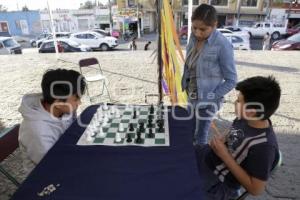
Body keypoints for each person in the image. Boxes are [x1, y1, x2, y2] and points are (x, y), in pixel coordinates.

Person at [195, 76, 281, 200]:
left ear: (251, 111)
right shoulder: (245, 118)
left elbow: (256, 189)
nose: (235, 102)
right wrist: (222, 138)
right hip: (208, 157)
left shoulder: (264, 147)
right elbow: (233, 130)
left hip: (219, 182)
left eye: (239, 101)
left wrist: (225, 155)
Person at [181, 4, 237, 145]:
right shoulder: (192, 38)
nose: (198, 33)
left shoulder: (223, 45)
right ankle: (188, 157)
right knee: (188, 130)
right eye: (194, 28)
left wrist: (212, 95)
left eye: (203, 29)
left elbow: (231, 80)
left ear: (215, 25)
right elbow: (189, 65)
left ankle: (198, 163)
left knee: (201, 136)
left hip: (208, 100)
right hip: (191, 94)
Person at [18, 69, 86, 173]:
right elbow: (50, 165)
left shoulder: (63, 106)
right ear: (58, 102)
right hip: (44, 173)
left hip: (66, 152)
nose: (79, 103)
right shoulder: (37, 131)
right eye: (76, 99)